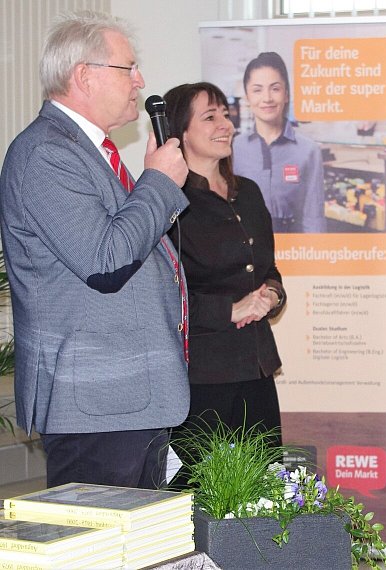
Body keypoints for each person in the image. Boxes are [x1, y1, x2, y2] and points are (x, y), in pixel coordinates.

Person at [0, 11, 190, 489]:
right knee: (99, 533)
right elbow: (106, 262)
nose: (140, 81)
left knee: (143, 536)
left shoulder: (90, 153)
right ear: (84, 75)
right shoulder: (45, 153)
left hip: (127, 400)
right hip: (95, 402)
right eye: (129, 68)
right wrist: (159, 182)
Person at [163, 82, 286, 465]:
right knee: (203, 492)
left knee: (268, 486)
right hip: (202, 377)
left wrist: (271, 295)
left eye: (227, 115)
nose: (225, 125)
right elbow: (161, 295)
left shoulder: (247, 192)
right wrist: (230, 310)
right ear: (181, 132)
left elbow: (268, 270)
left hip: (257, 368)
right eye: (210, 117)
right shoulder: (168, 201)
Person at [233, 52, 325, 233]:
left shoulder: (309, 150)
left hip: (294, 244)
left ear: (286, 94)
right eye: (257, 90)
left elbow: (314, 217)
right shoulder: (234, 148)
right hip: (248, 245)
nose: (267, 98)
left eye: (275, 88)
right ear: (247, 97)